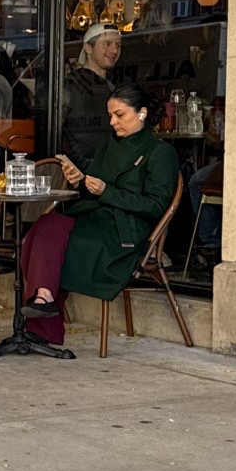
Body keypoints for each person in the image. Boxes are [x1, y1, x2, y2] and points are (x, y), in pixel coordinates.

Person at [22, 81, 179, 346]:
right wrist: (79, 181)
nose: (112, 122)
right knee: (45, 225)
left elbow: (156, 205)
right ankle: (43, 300)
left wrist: (107, 191)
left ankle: (43, 326)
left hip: (125, 230)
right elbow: (92, 191)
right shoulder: (108, 146)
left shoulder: (160, 152)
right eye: (110, 115)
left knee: (56, 242)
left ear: (141, 113)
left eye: (120, 115)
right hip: (94, 217)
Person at [62, 25, 123, 165]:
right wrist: (83, 167)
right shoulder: (71, 84)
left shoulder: (111, 87)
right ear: (88, 48)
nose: (114, 50)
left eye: (118, 45)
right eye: (107, 44)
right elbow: (62, 133)